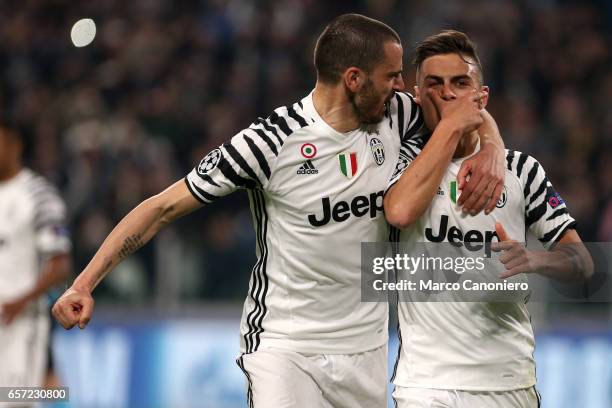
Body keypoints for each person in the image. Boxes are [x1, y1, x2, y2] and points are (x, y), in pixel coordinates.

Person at [52, 15, 504, 407]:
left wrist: (494, 148)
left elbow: (463, 107)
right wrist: (84, 283)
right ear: (353, 79)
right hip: (286, 345)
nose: (401, 86)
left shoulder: (396, 115)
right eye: (391, 76)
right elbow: (162, 207)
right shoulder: (269, 142)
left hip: (366, 351)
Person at [384, 30, 593, 408]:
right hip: (426, 385)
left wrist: (536, 259)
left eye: (460, 83)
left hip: (508, 381)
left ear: (482, 97)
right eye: (434, 84)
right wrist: (458, 129)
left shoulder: (522, 170)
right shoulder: (399, 162)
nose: (447, 94)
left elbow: (582, 263)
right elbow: (399, 212)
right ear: (416, 95)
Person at [0, 118, 72, 394]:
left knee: (17, 400)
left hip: (23, 324)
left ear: (15, 145)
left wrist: (20, 301)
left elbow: (60, 264)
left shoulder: (39, 195)